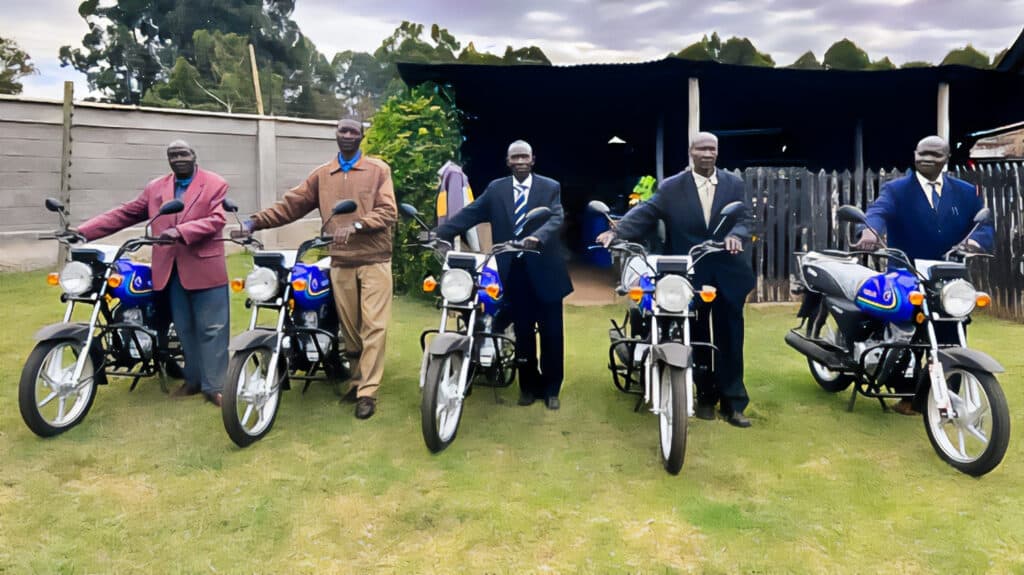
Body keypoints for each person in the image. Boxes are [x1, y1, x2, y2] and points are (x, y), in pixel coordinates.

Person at [236, 118, 397, 420]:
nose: (347, 135)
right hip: (340, 260)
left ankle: (367, 392)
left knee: (374, 326)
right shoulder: (323, 175)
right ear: (335, 135)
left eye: (353, 131)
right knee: (350, 331)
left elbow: (388, 210)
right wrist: (253, 222)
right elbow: (291, 205)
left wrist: (358, 224)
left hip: (374, 259)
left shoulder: (378, 170)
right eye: (342, 131)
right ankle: (356, 378)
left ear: (362, 136)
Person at [597, 132, 755, 428]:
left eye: (712, 149)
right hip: (689, 272)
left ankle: (733, 403)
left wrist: (736, 235)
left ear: (717, 153)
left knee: (731, 337)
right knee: (694, 335)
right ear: (691, 152)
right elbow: (646, 212)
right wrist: (616, 232)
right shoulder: (672, 187)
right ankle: (705, 396)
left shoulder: (733, 183)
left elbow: (745, 218)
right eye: (701, 149)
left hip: (729, 271)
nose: (708, 154)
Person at [75, 140, 229, 406]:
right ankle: (192, 381)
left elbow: (217, 219)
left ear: (194, 156)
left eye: (183, 153)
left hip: (204, 265)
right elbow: (125, 213)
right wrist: (83, 231)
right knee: (184, 328)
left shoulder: (215, 183)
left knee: (212, 329)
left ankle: (215, 386)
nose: (178, 158)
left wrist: (181, 231)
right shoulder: (156, 187)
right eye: (172, 155)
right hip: (170, 270)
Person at [853, 134, 994, 415]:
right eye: (922, 153)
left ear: (946, 159)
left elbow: (985, 226)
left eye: (935, 154)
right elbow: (879, 212)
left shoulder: (966, 192)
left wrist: (976, 242)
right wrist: (869, 230)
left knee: (951, 337)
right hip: (907, 273)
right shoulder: (897, 190)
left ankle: (935, 401)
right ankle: (904, 394)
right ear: (914, 154)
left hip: (949, 277)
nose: (927, 159)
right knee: (907, 337)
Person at [433, 140, 574, 410]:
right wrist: (439, 233)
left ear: (533, 160)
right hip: (513, 272)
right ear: (508, 162)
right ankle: (528, 387)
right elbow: (470, 214)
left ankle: (552, 388)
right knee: (522, 333)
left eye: (525, 157)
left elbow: (556, 218)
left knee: (552, 334)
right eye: (515, 157)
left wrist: (537, 237)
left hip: (546, 271)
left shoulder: (549, 187)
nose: (520, 161)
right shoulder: (496, 189)